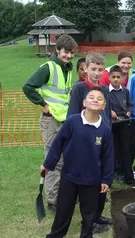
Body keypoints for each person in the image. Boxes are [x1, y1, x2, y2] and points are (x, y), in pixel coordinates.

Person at [40, 87, 114, 238]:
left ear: (104, 106)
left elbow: (108, 156)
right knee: (63, 211)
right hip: (69, 177)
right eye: (91, 97)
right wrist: (48, 164)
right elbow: (57, 144)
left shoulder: (105, 130)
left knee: (89, 214)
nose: (95, 100)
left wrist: (106, 179)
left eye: (99, 99)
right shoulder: (72, 121)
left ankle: (86, 235)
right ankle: (55, 235)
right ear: (84, 102)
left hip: (92, 180)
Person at [22, 34, 78, 212]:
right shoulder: (48, 67)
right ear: (57, 50)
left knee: (67, 158)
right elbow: (28, 87)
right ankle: (53, 201)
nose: (69, 56)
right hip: (51, 121)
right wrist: (44, 105)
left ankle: (63, 194)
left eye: (71, 53)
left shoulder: (68, 68)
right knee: (53, 161)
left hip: (64, 120)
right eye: (66, 52)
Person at [67, 53, 112, 233]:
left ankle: (98, 214)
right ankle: (89, 221)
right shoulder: (79, 89)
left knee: (102, 179)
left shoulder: (105, 89)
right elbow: (72, 117)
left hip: (103, 141)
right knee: (89, 185)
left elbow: (107, 115)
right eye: (93, 69)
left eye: (100, 70)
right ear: (86, 68)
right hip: (85, 145)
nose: (96, 73)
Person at [108, 65, 135, 189]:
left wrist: (129, 112)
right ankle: (109, 179)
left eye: (118, 77)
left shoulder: (125, 91)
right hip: (111, 125)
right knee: (112, 152)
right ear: (109, 78)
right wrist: (109, 110)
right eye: (113, 77)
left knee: (126, 151)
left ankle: (129, 179)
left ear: (122, 78)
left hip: (124, 124)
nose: (116, 79)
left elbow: (131, 105)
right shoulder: (106, 91)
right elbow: (102, 105)